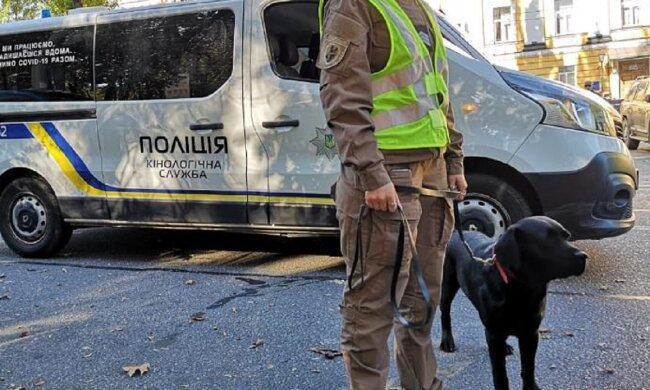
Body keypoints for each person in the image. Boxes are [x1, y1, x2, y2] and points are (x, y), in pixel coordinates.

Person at [317, 0, 466, 389]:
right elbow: (342, 98)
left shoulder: (417, 7)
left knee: (421, 306)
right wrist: (371, 173)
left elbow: (438, 94)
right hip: (386, 177)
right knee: (370, 314)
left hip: (429, 176)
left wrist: (453, 160)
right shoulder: (353, 5)